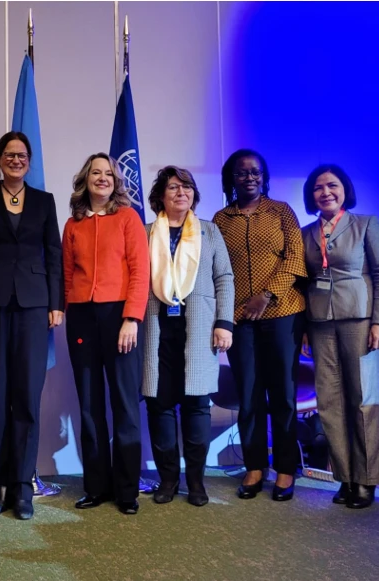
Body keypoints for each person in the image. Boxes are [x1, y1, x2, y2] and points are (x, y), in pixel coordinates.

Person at [0, 131, 63, 520]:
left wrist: (56, 303)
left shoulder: (44, 201)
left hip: (34, 306)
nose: (16, 160)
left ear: (29, 161)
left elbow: (54, 254)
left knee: (28, 396)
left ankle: (23, 486)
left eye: (22, 155)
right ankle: (2, 484)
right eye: (9, 154)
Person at [213, 149, 307, 501]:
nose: (249, 177)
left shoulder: (281, 211)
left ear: (264, 177)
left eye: (255, 172)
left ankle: (285, 469)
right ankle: (254, 467)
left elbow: (295, 258)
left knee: (283, 395)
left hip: (283, 313)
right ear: (231, 178)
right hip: (240, 319)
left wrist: (266, 295)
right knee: (249, 395)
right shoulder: (222, 219)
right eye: (241, 173)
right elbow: (218, 268)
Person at [300, 164, 379, 509]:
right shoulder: (306, 233)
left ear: (344, 190)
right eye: (318, 187)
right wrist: (305, 330)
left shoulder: (366, 224)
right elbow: (304, 282)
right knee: (329, 402)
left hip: (361, 321)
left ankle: (367, 479)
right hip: (320, 323)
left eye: (332, 185)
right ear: (311, 195)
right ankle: (345, 476)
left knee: (363, 399)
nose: (325, 192)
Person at [142, 166, 234, 507]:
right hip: (157, 330)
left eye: (187, 187)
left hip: (198, 330)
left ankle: (196, 481)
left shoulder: (209, 231)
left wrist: (224, 323)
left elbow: (224, 277)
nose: (181, 192)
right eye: (173, 187)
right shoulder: (146, 232)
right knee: (160, 406)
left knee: (196, 406)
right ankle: (168, 479)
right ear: (160, 196)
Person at [63, 153, 150, 515]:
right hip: (82, 317)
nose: (102, 178)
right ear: (85, 180)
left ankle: (127, 490)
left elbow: (140, 271)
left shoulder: (128, 218)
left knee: (125, 405)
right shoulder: (73, 225)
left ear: (116, 182)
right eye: (96, 173)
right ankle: (96, 487)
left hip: (119, 317)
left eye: (108, 174)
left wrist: (131, 319)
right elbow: (67, 274)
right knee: (89, 405)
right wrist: (68, 309)